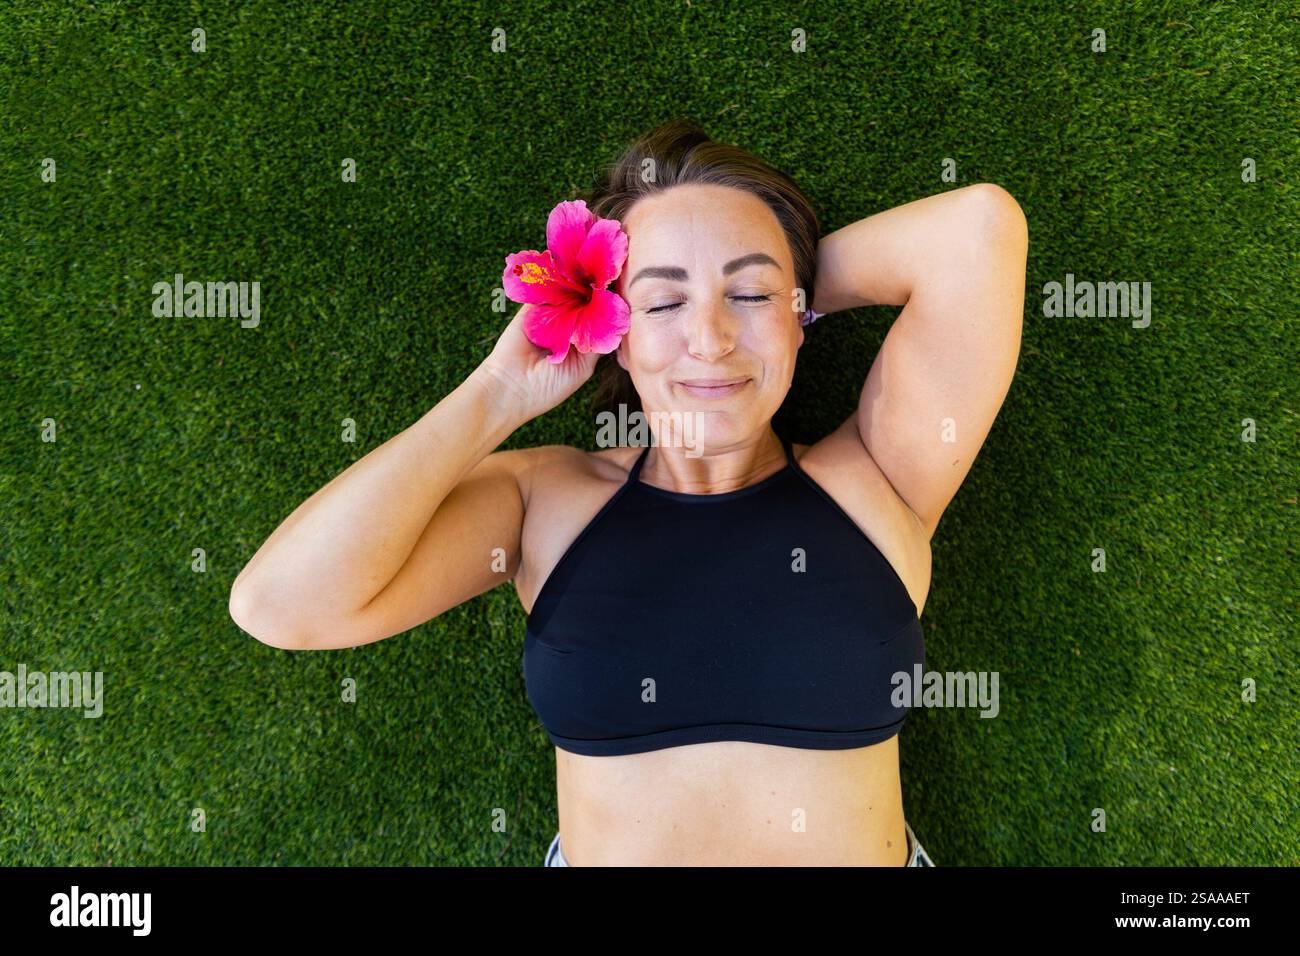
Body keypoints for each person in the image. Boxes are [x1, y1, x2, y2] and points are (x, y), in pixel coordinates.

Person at [229, 119, 1027, 866]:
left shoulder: (876, 476)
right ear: (614, 324)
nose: (710, 338)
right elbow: (283, 606)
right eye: (663, 300)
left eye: (748, 297)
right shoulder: (546, 501)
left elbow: (977, 232)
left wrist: (785, 291)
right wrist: (502, 390)